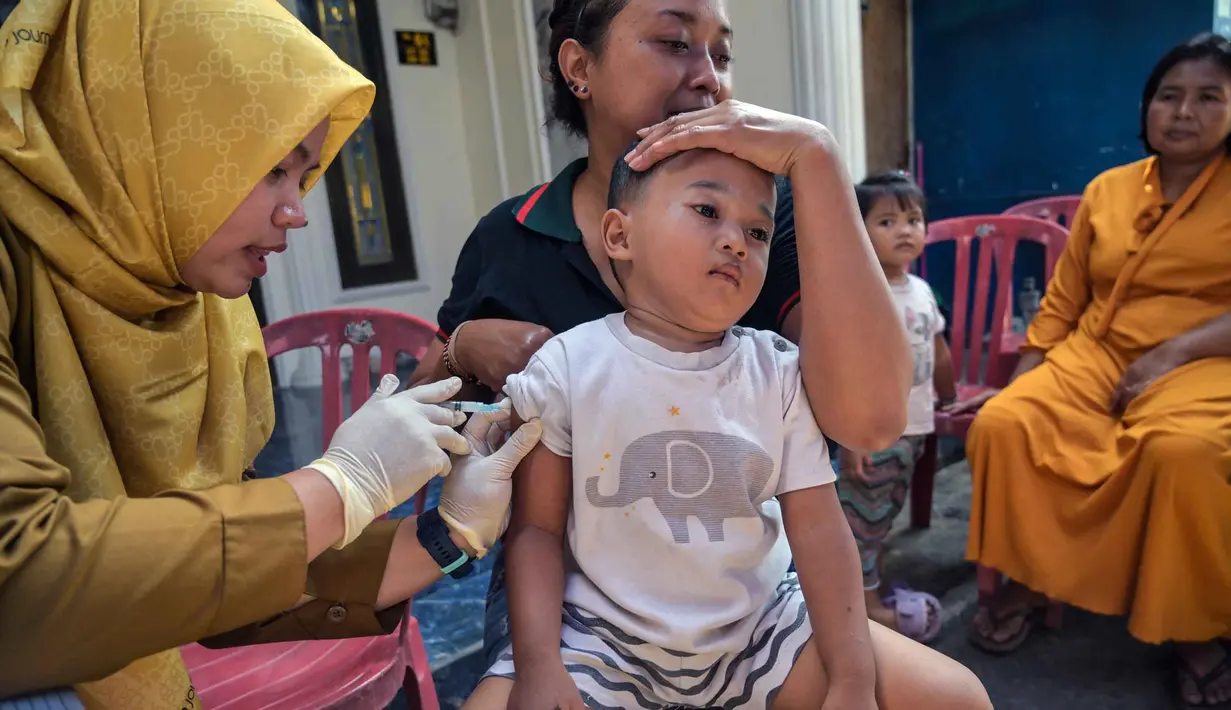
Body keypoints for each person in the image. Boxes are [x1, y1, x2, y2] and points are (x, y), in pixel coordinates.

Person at [0, 1, 540, 705]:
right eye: (273, 170)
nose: (298, 210)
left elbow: (231, 567)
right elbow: (20, 590)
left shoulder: (197, 310)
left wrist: (447, 533)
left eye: (305, 174)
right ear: (152, 136)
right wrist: (340, 485)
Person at [408, 0, 914, 685]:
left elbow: (870, 420)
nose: (708, 78)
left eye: (721, 55)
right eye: (675, 42)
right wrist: (463, 345)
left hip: (744, 590)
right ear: (579, 67)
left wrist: (815, 157)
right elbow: (422, 415)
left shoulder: (771, 219)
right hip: (577, 605)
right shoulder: (512, 234)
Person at [471, 146, 990, 710]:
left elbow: (819, 529)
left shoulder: (782, 370)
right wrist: (541, 665)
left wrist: (852, 679)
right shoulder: (567, 366)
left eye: (759, 232)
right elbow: (537, 531)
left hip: (763, 628)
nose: (736, 240)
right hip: (599, 640)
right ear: (620, 235)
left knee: (958, 697)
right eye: (706, 211)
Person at [949, 33, 1231, 707]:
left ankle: (1194, 629)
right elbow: (1064, 300)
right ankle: (1025, 576)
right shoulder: (1106, 188)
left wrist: (1172, 353)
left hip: (1206, 360)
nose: (1183, 112)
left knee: (1179, 452)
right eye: (1168, 96)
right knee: (1005, 424)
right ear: (1145, 108)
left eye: (1207, 98)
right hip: (1096, 350)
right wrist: (1027, 370)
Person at [836, 172, 957, 644]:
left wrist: (949, 397)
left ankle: (870, 587)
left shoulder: (922, 290)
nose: (905, 229)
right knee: (860, 520)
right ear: (858, 232)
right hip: (871, 432)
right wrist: (849, 438)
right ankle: (863, 609)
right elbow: (843, 369)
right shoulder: (860, 293)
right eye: (887, 221)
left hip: (913, 431)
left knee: (881, 516)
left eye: (914, 219)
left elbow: (938, 349)